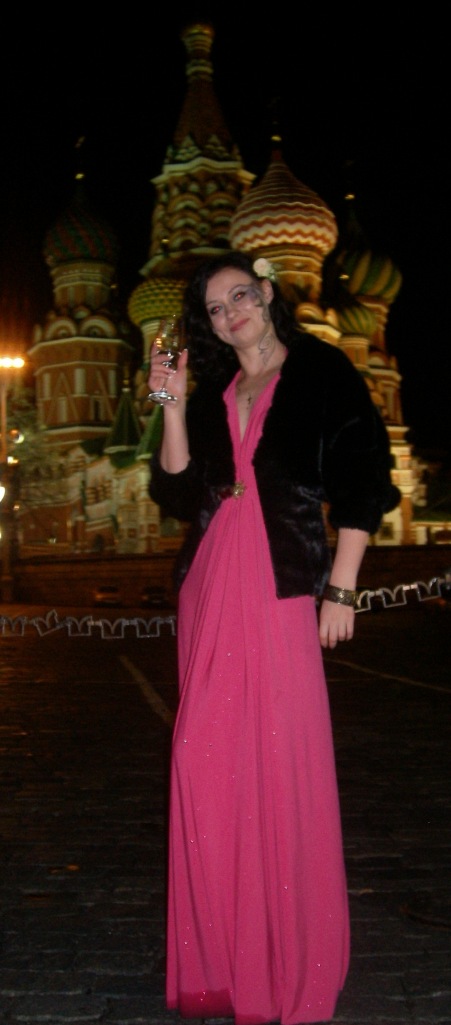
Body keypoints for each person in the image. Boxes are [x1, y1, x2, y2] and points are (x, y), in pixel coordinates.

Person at [148, 251, 400, 1025]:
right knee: (200, 757)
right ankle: (223, 956)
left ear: (265, 293)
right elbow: (177, 489)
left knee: (278, 755)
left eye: (239, 297)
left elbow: (364, 476)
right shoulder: (218, 387)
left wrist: (341, 586)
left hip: (281, 579)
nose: (230, 314)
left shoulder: (321, 370)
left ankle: (285, 957)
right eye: (215, 309)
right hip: (210, 579)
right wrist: (172, 405)